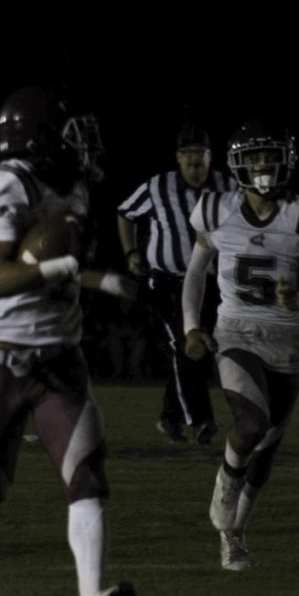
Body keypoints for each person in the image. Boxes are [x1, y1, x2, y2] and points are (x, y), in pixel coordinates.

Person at [0, 86, 137, 596]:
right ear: (43, 137)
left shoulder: (73, 187)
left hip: (60, 360)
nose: (84, 145)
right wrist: (74, 265)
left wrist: (92, 276)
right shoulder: (6, 184)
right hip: (2, 359)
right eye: (73, 134)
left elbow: (60, 264)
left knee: (88, 475)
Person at [182, 120, 299, 571]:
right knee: (250, 424)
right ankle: (226, 482)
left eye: (270, 156)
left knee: (267, 447)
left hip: (286, 337)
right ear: (239, 165)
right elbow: (195, 274)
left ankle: (234, 534)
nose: (264, 166)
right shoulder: (216, 209)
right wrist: (192, 327)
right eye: (255, 158)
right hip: (236, 332)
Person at [117, 125, 233, 443]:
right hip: (167, 282)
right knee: (185, 346)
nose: (195, 165)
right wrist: (131, 252)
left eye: (201, 157)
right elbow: (125, 212)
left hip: (209, 283)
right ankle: (201, 419)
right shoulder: (158, 187)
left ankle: (171, 417)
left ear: (212, 158)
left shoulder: (227, 187)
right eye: (189, 157)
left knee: (194, 350)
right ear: (178, 158)